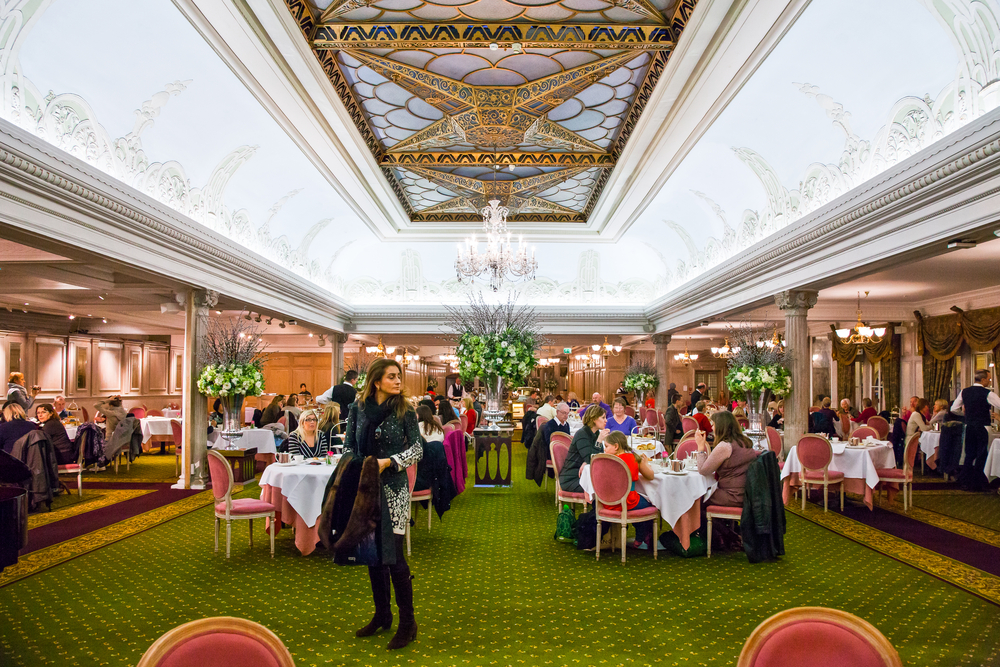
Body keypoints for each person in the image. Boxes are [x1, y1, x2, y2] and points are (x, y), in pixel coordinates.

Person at [344, 358, 422, 650]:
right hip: (365, 487)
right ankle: (382, 613)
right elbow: (349, 445)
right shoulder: (357, 409)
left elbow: (417, 449)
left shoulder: (405, 410)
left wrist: (390, 461)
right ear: (376, 381)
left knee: (394, 557)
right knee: (372, 554)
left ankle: (407, 622)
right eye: (392, 377)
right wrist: (359, 464)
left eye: (399, 376)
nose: (398, 381)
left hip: (394, 489)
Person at [600, 431, 655, 548]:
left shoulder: (605, 461)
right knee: (652, 504)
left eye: (606, 446)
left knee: (640, 503)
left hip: (608, 502)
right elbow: (650, 476)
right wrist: (645, 463)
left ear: (616, 446)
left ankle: (640, 535)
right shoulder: (634, 458)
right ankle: (642, 536)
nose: (604, 450)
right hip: (628, 501)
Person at [694, 410, 760, 508]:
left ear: (721, 427)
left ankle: (714, 523)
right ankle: (721, 523)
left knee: (695, 496)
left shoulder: (725, 446)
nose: (712, 427)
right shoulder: (745, 442)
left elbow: (703, 470)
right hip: (748, 493)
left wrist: (700, 446)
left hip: (733, 495)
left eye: (714, 424)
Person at [951, 369, 1000, 491]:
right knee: (982, 455)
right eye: (988, 379)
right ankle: (978, 483)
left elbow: (953, 409)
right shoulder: (987, 393)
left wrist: (966, 415)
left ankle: (965, 482)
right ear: (983, 380)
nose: (989, 381)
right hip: (983, 427)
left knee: (969, 454)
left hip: (969, 426)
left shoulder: (964, 392)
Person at [559, 404, 610, 494]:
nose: (606, 420)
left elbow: (598, 457)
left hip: (585, 475)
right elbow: (592, 459)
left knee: (608, 482)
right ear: (594, 419)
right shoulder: (582, 434)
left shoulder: (596, 433)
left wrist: (586, 462)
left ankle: (597, 508)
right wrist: (599, 441)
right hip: (572, 478)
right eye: (603, 418)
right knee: (603, 486)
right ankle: (596, 508)